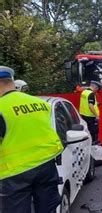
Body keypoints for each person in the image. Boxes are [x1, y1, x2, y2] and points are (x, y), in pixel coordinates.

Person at [0, 66, 64, 212]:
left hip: (14, 173)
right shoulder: (41, 104)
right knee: (47, 209)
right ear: (12, 81)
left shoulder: (1, 107)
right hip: (46, 166)